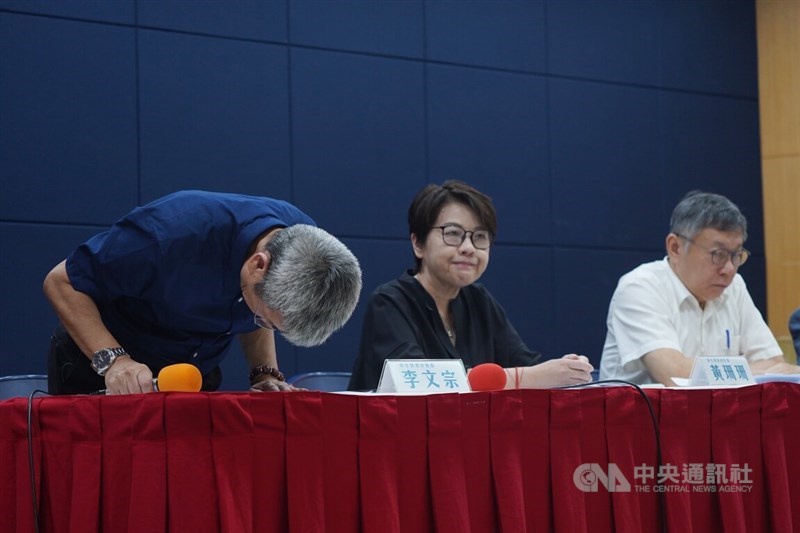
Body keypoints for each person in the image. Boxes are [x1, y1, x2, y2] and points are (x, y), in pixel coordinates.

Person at [44, 190, 362, 395]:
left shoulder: (307, 248)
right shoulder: (171, 234)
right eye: (263, 320)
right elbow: (61, 281)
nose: (258, 323)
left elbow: (260, 309)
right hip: (102, 371)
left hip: (189, 378)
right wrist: (114, 362)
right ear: (258, 264)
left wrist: (264, 374)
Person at [347, 180, 593, 391]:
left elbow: (524, 362)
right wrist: (528, 378)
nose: (468, 247)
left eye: (479, 237)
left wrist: (566, 370)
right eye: (453, 233)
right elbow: (421, 385)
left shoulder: (479, 300)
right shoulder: (389, 302)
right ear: (418, 244)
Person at [599, 191, 799, 385]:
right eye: (718, 254)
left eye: (736, 254)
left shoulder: (734, 287)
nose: (729, 269)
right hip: (642, 417)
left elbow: (776, 365)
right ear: (675, 247)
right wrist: (751, 369)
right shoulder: (640, 287)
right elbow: (675, 375)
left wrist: (755, 369)